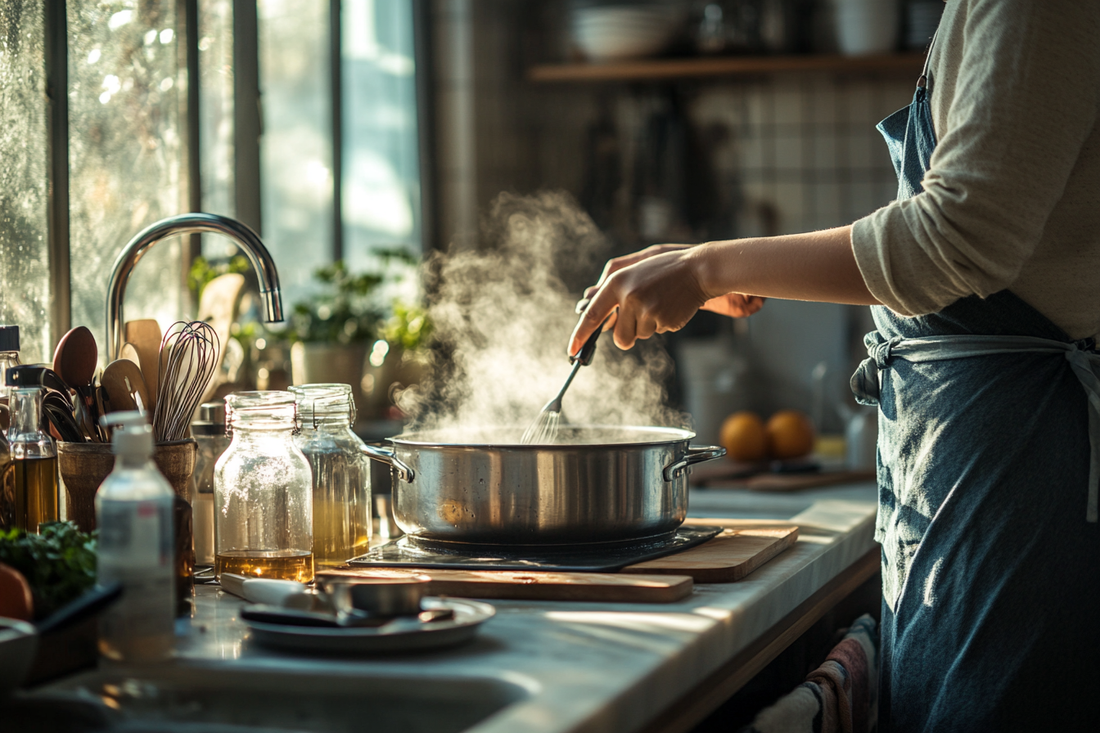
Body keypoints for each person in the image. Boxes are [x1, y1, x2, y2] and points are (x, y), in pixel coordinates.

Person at [569, 2, 1100, 731]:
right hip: (974, 453)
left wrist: (702, 265)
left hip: (1020, 465)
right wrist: (697, 265)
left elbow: (955, 240)